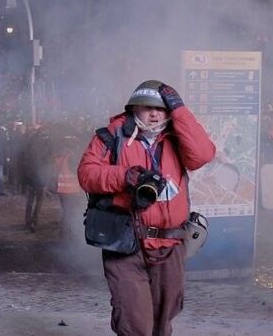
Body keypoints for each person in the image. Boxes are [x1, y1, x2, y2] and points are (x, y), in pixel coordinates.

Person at [78, 80, 215, 336]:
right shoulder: (111, 136)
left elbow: (203, 155)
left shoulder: (178, 138)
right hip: (125, 243)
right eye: (147, 107)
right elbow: (86, 174)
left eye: (161, 108)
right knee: (134, 321)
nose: (154, 113)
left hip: (171, 243)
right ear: (133, 109)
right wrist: (125, 177)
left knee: (164, 320)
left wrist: (180, 109)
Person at [23, 127, 54, 233]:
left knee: (30, 200)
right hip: (40, 177)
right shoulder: (47, 145)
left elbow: (26, 161)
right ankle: (33, 222)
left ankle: (28, 222)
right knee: (39, 201)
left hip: (32, 176)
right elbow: (49, 162)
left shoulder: (31, 143)